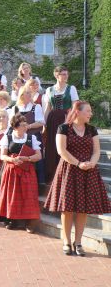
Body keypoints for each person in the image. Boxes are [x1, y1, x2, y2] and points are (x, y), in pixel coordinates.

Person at [45, 101, 111, 256]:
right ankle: (67, 242)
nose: (91, 114)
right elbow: (61, 150)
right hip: (69, 170)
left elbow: (97, 151)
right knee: (67, 209)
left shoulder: (91, 129)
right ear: (78, 112)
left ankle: (78, 242)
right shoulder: (63, 128)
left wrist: (92, 163)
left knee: (83, 209)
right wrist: (78, 163)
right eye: (88, 111)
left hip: (88, 171)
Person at [0, 114, 42, 233]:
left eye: (25, 124)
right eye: (22, 125)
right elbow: (2, 156)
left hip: (27, 171)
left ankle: (29, 222)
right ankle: (13, 220)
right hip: (12, 171)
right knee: (12, 196)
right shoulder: (7, 137)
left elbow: (39, 156)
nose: (25, 127)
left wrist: (27, 158)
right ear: (15, 127)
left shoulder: (31, 138)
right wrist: (13, 159)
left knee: (29, 196)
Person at [42, 66, 79, 183]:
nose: (66, 76)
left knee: (66, 145)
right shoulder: (49, 90)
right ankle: (53, 174)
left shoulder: (71, 88)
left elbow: (75, 106)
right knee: (53, 145)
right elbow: (48, 108)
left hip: (66, 118)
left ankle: (67, 173)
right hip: (53, 120)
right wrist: (44, 124)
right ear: (56, 76)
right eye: (63, 74)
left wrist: (71, 121)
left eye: (67, 74)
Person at [13, 86, 45, 183]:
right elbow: (12, 124)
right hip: (19, 137)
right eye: (26, 93)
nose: (29, 94)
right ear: (21, 95)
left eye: (29, 93)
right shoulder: (15, 108)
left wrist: (29, 126)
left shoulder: (36, 107)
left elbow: (41, 122)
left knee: (36, 158)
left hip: (33, 136)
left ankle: (38, 183)